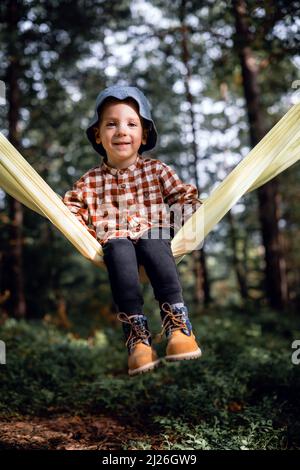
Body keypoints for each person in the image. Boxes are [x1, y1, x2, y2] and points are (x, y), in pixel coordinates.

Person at [63, 85, 202, 376]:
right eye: (111, 124)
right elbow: (70, 211)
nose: (121, 131)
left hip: (156, 241)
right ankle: (137, 338)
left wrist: (195, 216)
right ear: (98, 135)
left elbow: (182, 198)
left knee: (153, 240)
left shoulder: (157, 171)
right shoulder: (89, 182)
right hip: (116, 243)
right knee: (118, 247)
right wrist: (74, 226)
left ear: (145, 134)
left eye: (131, 123)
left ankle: (178, 327)